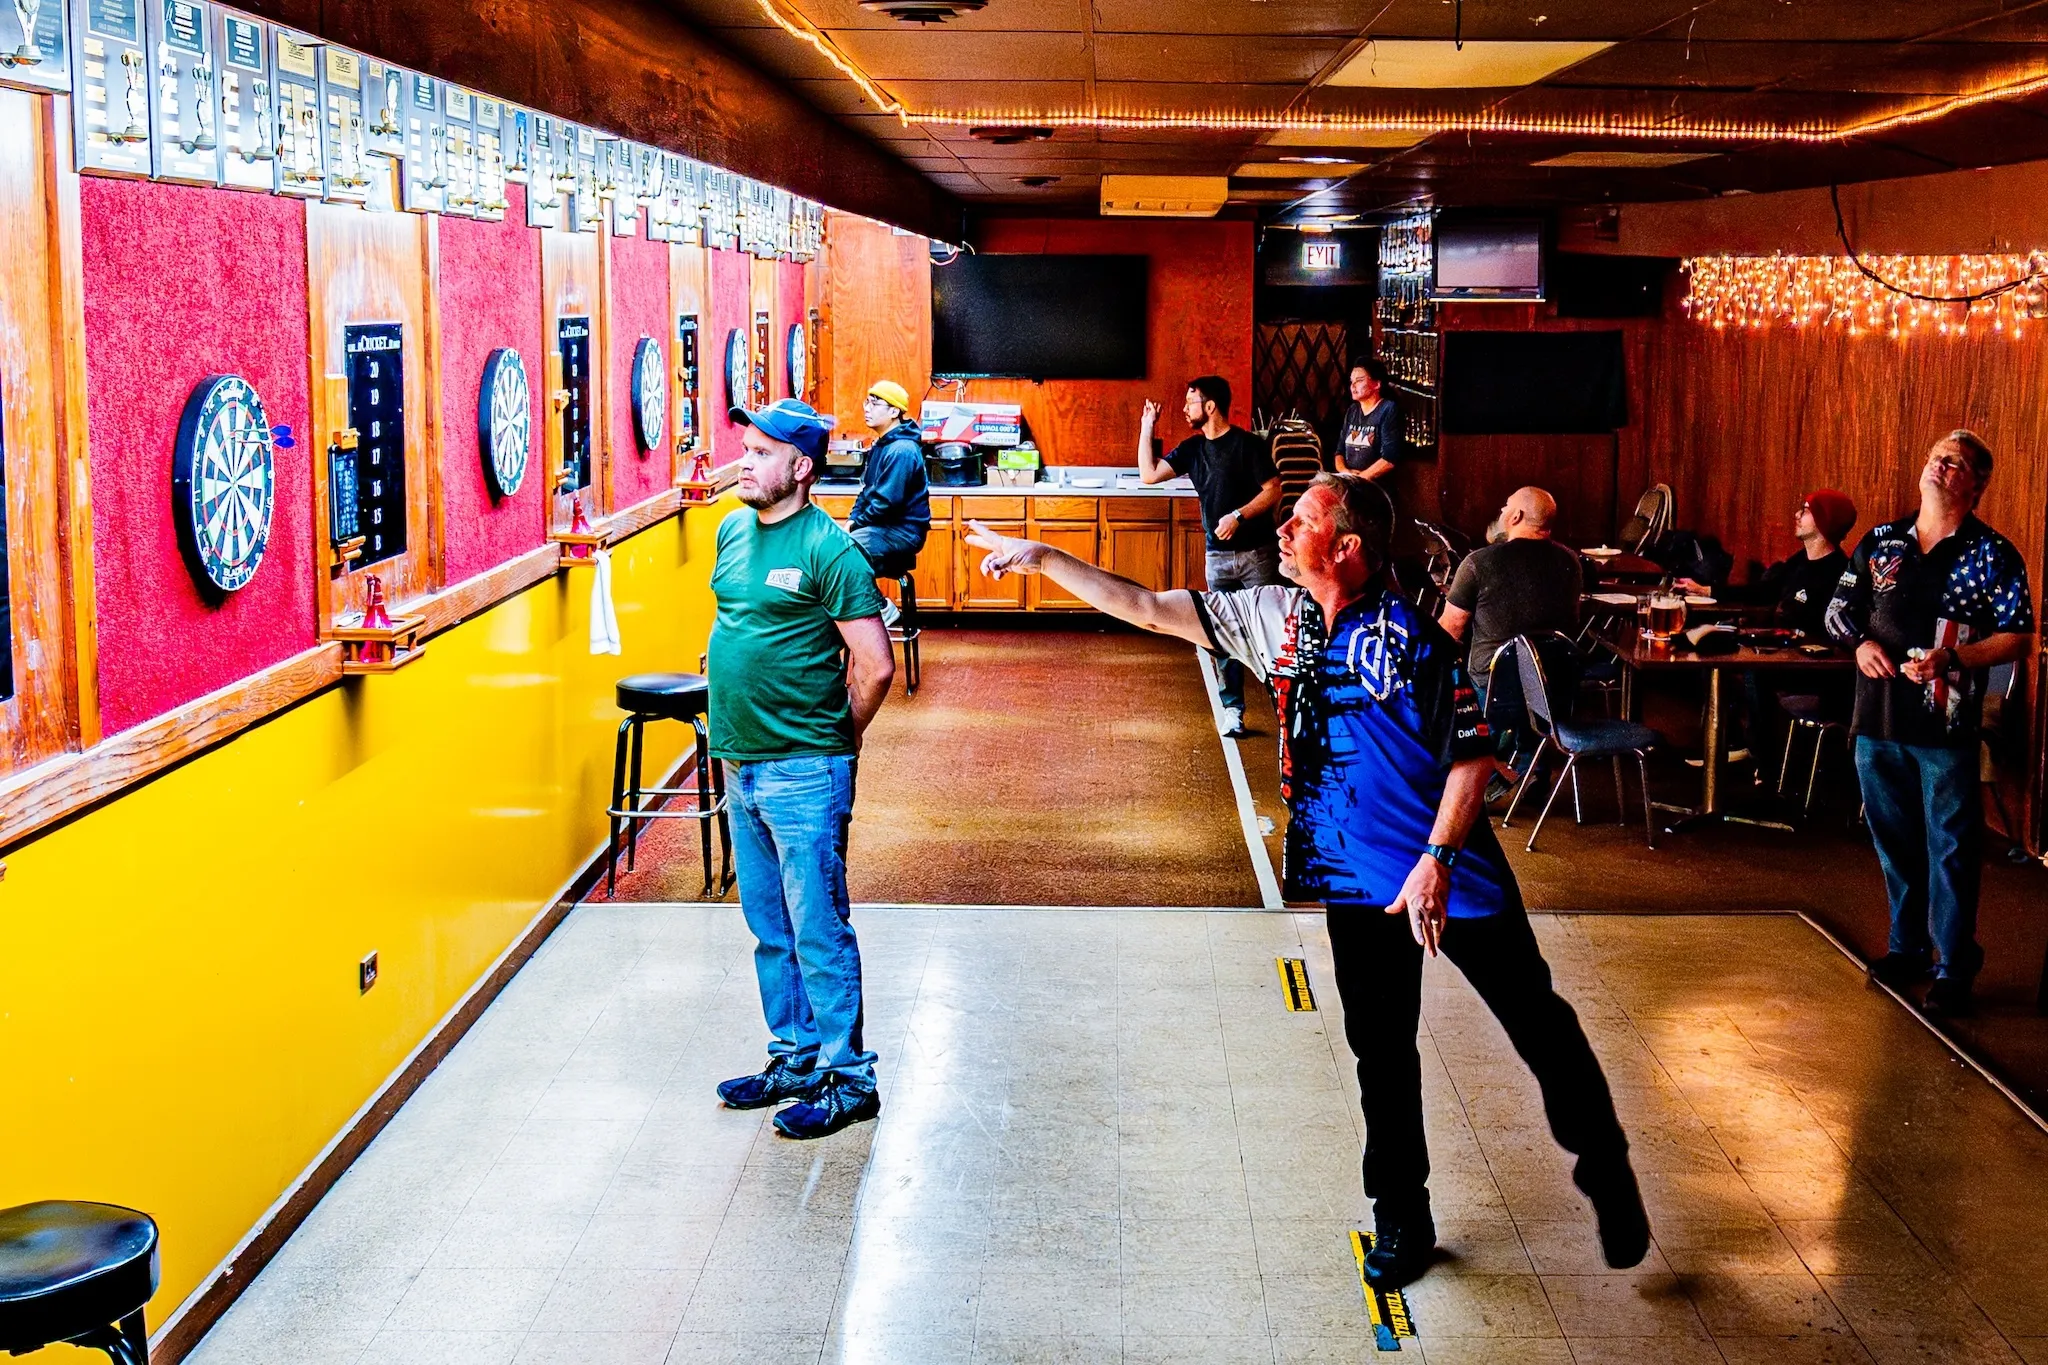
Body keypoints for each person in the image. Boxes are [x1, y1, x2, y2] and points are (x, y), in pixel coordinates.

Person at [962, 473, 1649, 1291]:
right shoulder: (1273, 621)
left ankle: (1604, 1163)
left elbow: (1473, 763)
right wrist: (1045, 558)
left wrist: (1438, 860)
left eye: (1301, 521)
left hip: (1448, 867)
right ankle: (1401, 1214)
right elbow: (1147, 606)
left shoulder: (1416, 640)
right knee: (1380, 1051)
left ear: (1347, 547)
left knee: (1538, 1020)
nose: (1282, 532)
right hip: (1358, 882)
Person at [710, 397, 898, 1138]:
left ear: (800, 467)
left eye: (760, 453)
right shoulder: (731, 532)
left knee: (818, 923)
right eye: (746, 449)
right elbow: (737, 626)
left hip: (804, 769)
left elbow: (875, 667)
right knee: (768, 925)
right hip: (741, 762)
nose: (744, 462)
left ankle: (849, 1077)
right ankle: (792, 1055)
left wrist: (833, 742)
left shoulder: (830, 551)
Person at [1825, 431, 2033, 1019]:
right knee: (1894, 842)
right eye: (1937, 456)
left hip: (1946, 723)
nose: (1942, 466)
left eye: (1957, 463)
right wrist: (1861, 642)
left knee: (1952, 849)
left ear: (1977, 484)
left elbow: (2018, 635)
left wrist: (1956, 658)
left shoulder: (1992, 553)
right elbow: (1839, 610)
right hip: (1877, 719)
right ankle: (1906, 948)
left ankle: (1954, 965)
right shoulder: (1881, 541)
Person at [1138, 374, 1283, 738]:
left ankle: (1286, 711)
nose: (1186, 409)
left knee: (1270, 631)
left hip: (1258, 555)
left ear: (1210, 406)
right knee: (1219, 634)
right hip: (1217, 558)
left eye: (1191, 402)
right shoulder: (1192, 449)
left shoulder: (1248, 445)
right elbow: (1149, 474)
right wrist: (1146, 426)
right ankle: (1233, 709)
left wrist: (1239, 515)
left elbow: (1273, 490)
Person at [1437, 487, 1581, 687]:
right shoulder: (1571, 561)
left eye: (1506, 506)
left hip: (1495, 684)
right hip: (1555, 681)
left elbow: (1448, 632)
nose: (1502, 511)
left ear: (1516, 516)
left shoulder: (1479, 562)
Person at [1682, 488, 1855, 635]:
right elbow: (1763, 591)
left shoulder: (1839, 574)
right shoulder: (1800, 560)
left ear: (1825, 521)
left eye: (1806, 510)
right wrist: (1707, 590)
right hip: (1779, 655)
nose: (1797, 515)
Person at [849, 379, 931, 573]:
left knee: (844, 553)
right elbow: (867, 493)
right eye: (866, 402)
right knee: (832, 549)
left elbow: (885, 504)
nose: (867, 409)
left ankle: (877, 604)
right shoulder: (882, 445)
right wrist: (852, 521)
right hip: (882, 527)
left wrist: (854, 527)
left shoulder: (902, 450)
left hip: (903, 532)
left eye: (875, 404)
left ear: (894, 412)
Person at [1337, 357, 1404, 482]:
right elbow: (1339, 452)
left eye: (1359, 380)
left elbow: (1390, 458)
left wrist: (1361, 479)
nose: (1353, 386)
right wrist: (1345, 473)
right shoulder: (1353, 410)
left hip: (1374, 487)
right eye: (1351, 381)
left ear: (1377, 384)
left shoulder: (1388, 409)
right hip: (1350, 481)